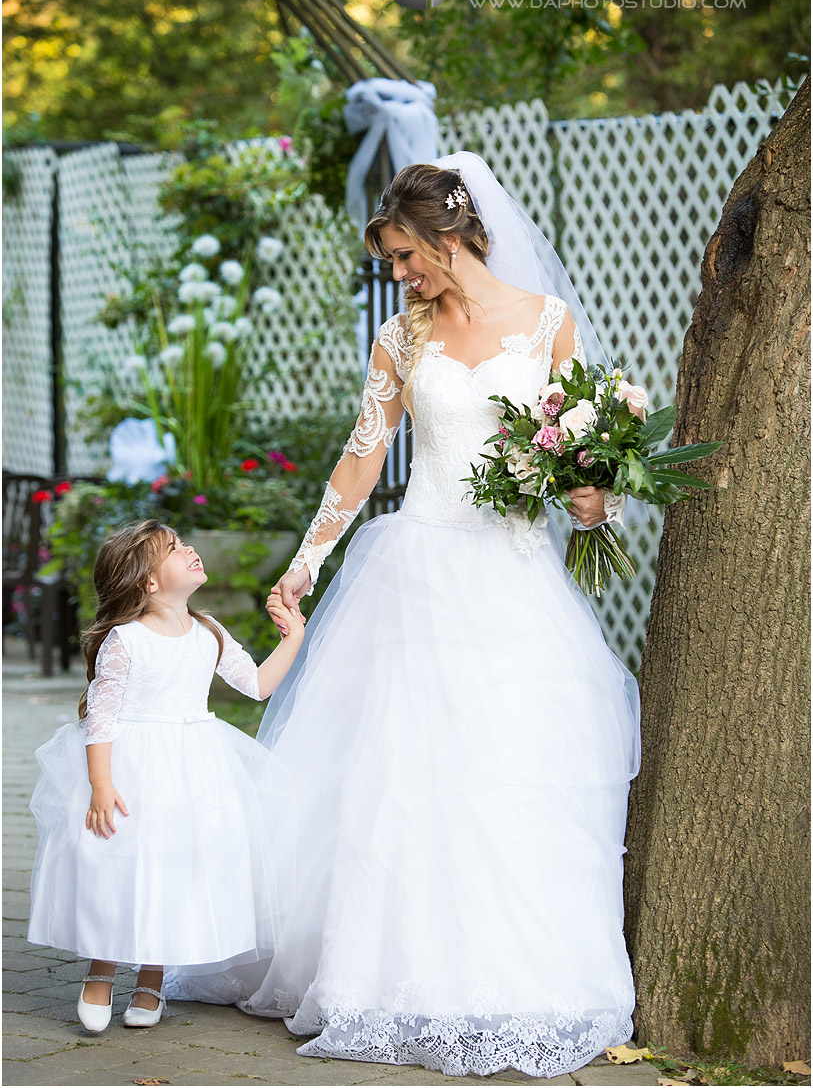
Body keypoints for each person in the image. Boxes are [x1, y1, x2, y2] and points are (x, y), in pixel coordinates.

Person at [167, 152, 646, 1080]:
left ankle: (519, 976)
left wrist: (593, 502)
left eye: (403, 256)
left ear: (449, 234)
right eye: (391, 260)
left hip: (511, 580)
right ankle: (386, 975)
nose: (399, 275)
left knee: (514, 771)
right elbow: (360, 458)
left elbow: (578, 454)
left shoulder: (549, 323)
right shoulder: (400, 337)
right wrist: (304, 563)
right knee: (400, 776)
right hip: (416, 565)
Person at [26, 519, 304, 1034]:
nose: (190, 549)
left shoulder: (210, 632)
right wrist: (101, 784)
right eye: (174, 549)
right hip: (133, 763)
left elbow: (258, 685)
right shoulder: (124, 640)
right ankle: (102, 966)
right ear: (148, 583)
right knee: (118, 859)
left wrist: (294, 637)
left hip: (196, 764)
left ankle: (153, 976)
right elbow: (102, 718)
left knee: (179, 863)